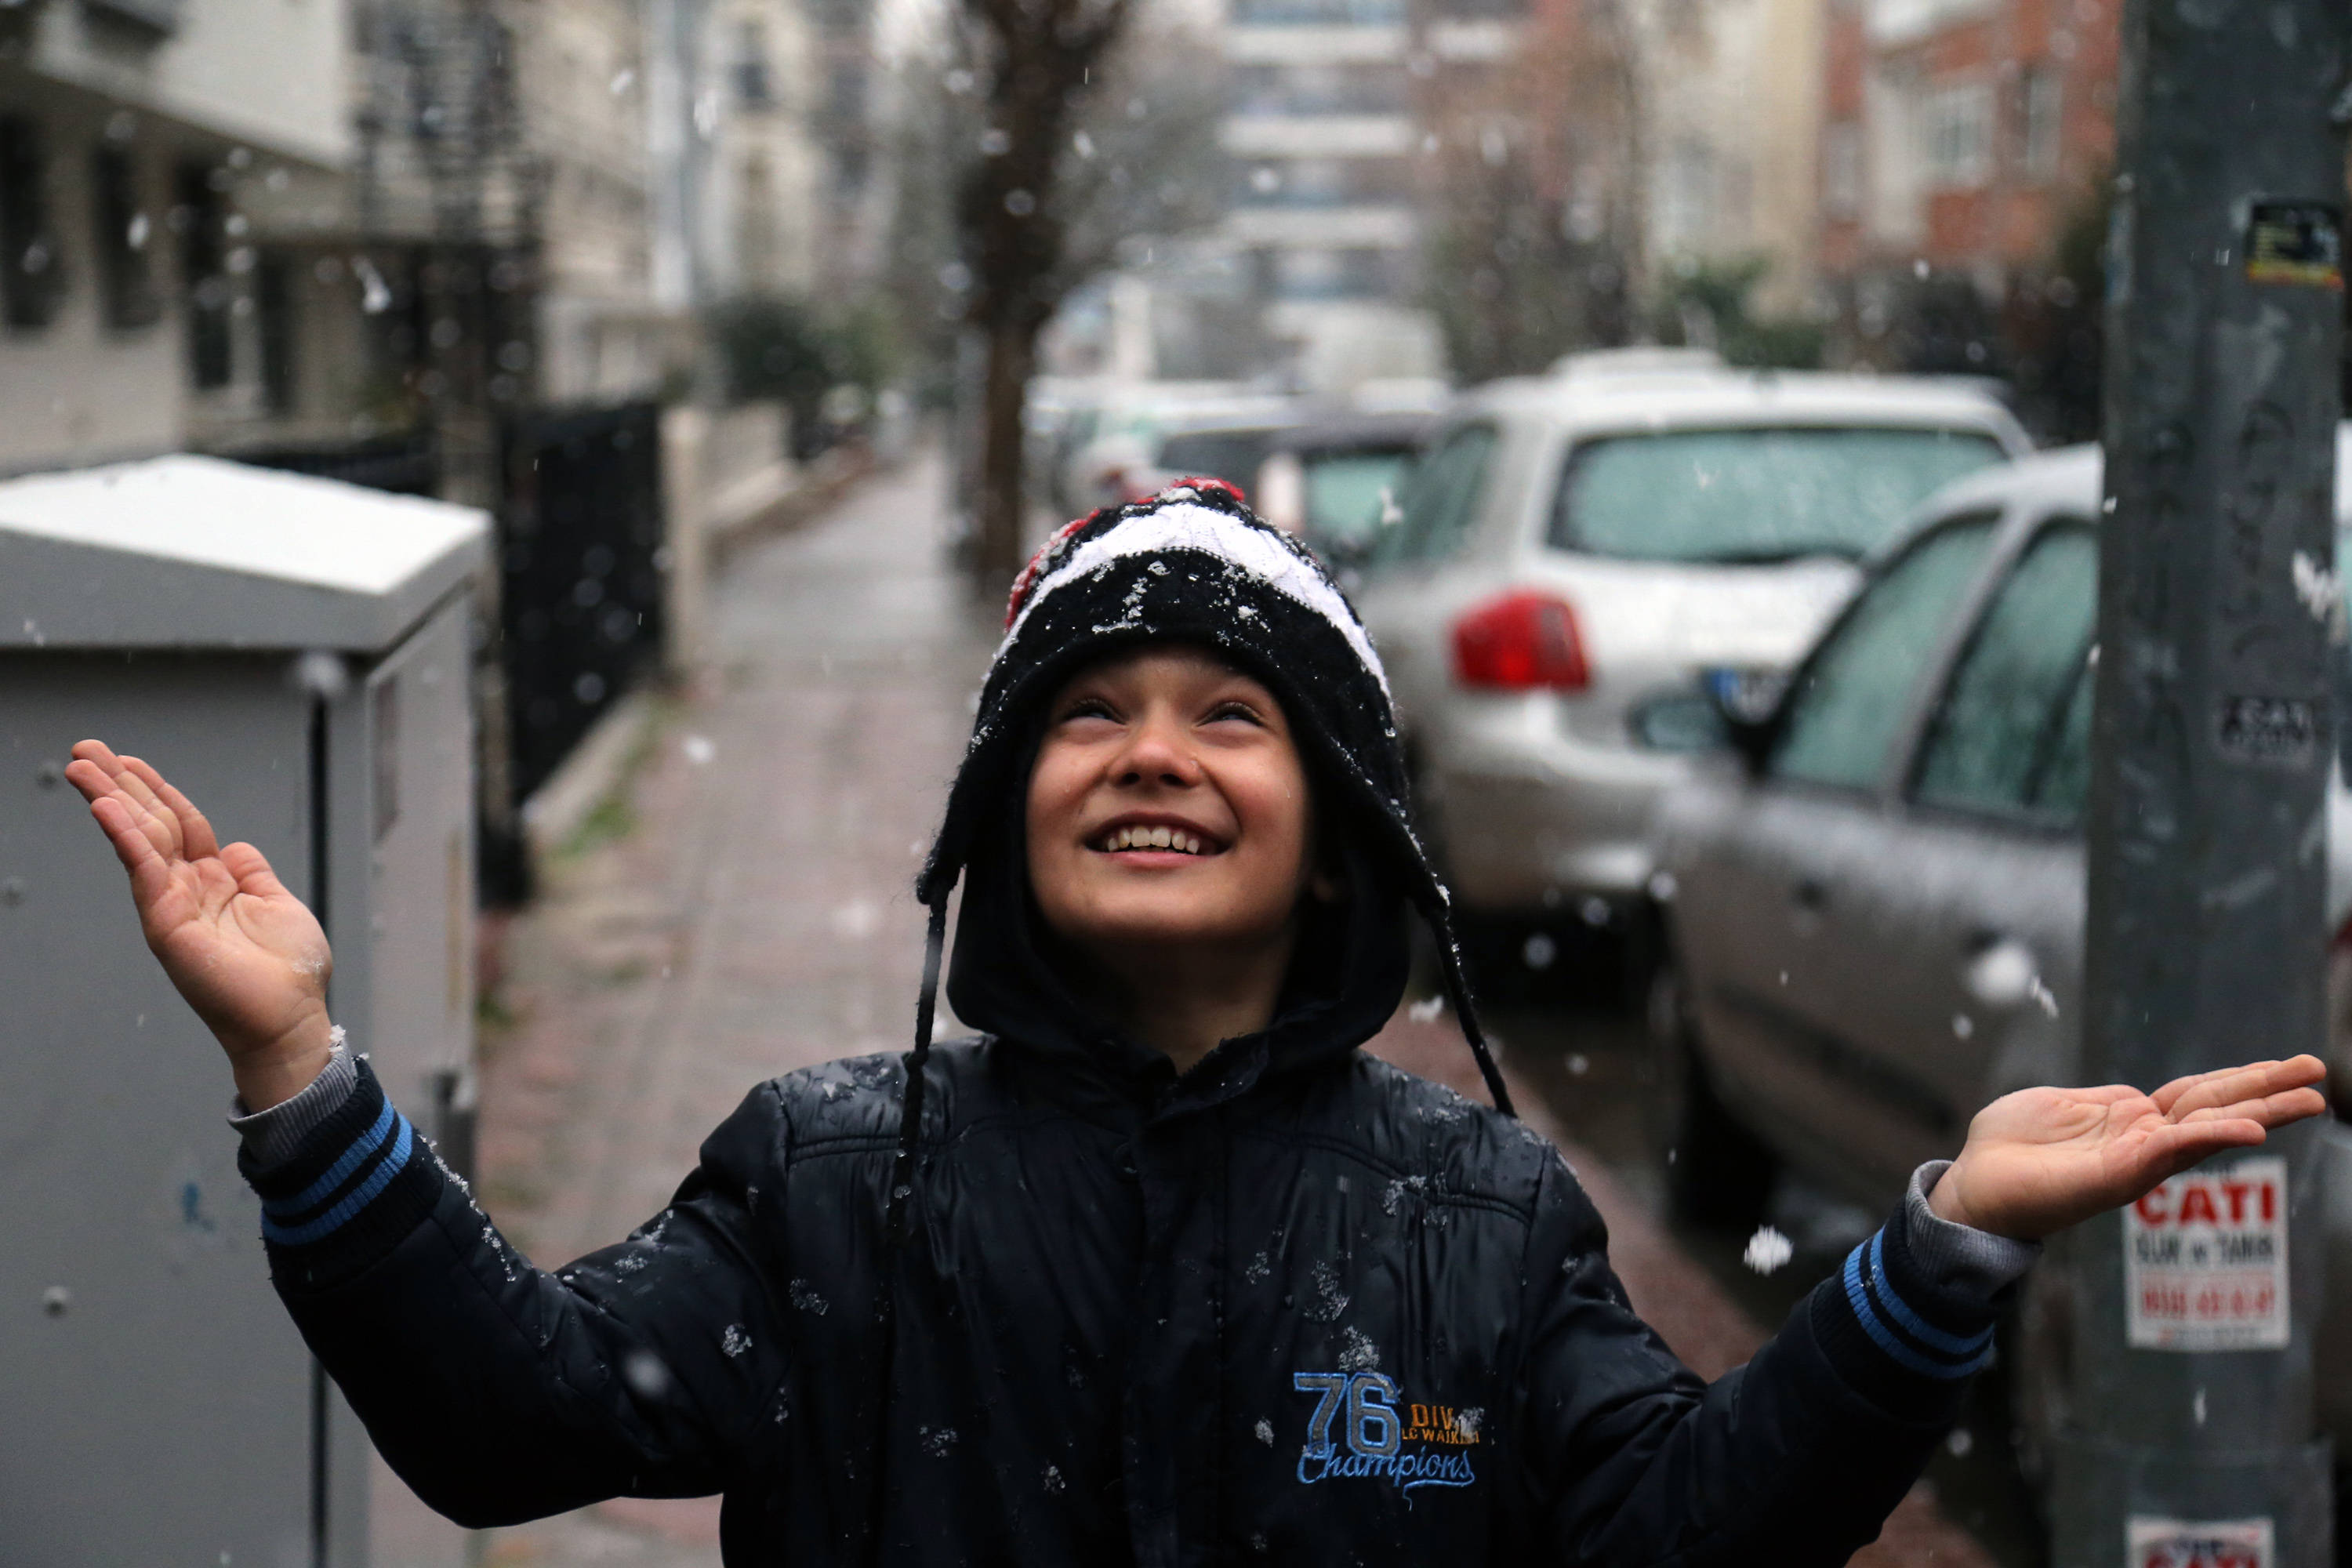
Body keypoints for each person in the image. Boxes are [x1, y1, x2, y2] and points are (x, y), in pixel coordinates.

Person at [67, 482, 2325, 1566]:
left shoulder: (1481, 1208)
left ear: (1338, 834)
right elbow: (511, 1422)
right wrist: (305, 1082)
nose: (1154, 749)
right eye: (1091, 712)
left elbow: (1674, 1538)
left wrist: (1929, 1271)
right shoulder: (835, 1177)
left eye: (1231, 712)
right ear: (998, 817)